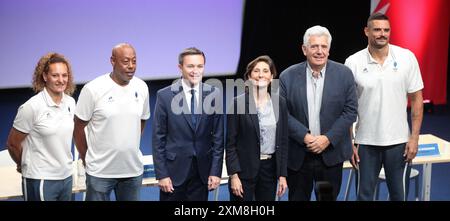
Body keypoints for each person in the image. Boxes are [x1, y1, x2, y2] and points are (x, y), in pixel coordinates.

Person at [344, 12, 424, 201]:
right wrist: (349, 143)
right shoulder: (352, 62)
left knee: (399, 196)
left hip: (399, 143)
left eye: (386, 30)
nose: (382, 34)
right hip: (365, 143)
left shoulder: (407, 58)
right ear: (366, 31)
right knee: (364, 197)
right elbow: (347, 108)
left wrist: (414, 138)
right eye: (377, 29)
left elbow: (417, 99)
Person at [279, 25, 358, 201]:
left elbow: (350, 111)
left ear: (329, 49)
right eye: (314, 46)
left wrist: (327, 139)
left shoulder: (345, 74)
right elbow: (281, 113)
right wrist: (305, 137)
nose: (319, 51)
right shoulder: (286, 76)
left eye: (324, 46)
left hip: (330, 156)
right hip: (299, 155)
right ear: (304, 49)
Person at [73, 43, 150, 201]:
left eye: (134, 61)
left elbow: (142, 120)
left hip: (132, 171)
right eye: (126, 61)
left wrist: (129, 144)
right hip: (100, 172)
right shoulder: (93, 89)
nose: (131, 66)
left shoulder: (142, 87)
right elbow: (78, 128)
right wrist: (86, 157)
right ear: (112, 61)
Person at [152, 47, 224, 201]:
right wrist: (162, 174)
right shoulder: (164, 96)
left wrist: (215, 171)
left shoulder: (214, 94)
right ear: (180, 67)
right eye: (190, 66)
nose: (195, 71)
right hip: (173, 173)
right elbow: (158, 138)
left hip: (202, 172)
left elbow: (218, 137)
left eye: (200, 66)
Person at [6, 53, 76, 201]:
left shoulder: (70, 103)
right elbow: (13, 144)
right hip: (40, 179)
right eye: (55, 75)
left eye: (64, 75)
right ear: (45, 76)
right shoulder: (31, 107)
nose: (61, 80)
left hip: (66, 177)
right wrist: (24, 164)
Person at [226, 55, 288, 201]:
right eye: (256, 71)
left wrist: (282, 175)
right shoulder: (237, 103)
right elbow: (230, 144)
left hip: (269, 170)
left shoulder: (280, 103)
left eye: (266, 71)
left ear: (272, 76)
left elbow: (284, 141)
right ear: (248, 76)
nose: (261, 75)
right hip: (243, 171)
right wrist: (234, 176)